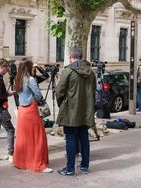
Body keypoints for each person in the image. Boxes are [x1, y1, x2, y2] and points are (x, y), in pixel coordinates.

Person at [56, 47, 96, 176]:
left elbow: (59, 91)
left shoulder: (68, 71)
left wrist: (61, 104)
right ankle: (84, 166)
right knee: (84, 137)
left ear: (70, 57)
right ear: (82, 56)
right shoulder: (91, 72)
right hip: (86, 110)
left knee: (71, 138)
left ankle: (70, 168)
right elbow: (94, 90)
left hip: (71, 110)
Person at [13, 58, 53, 173]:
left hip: (22, 110)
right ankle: (37, 163)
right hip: (31, 109)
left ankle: (22, 162)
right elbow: (38, 95)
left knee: (23, 137)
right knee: (38, 137)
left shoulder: (18, 78)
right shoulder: (30, 79)